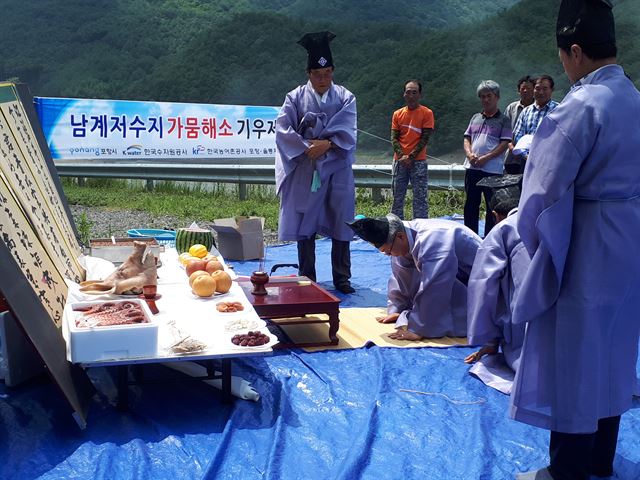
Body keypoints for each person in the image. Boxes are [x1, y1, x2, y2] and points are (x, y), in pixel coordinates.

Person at [511, 1, 640, 479]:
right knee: (614, 349)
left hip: (587, 245)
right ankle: (602, 460)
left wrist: (533, 246)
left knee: (576, 357)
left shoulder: (581, 106)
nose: (563, 68)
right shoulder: (635, 100)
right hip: (629, 240)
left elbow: (541, 195)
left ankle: (567, 470)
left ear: (577, 51)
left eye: (563, 58)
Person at [274, 31, 357, 294]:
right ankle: (307, 275)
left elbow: (348, 130)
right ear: (309, 73)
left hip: (337, 168)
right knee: (305, 220)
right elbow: (283, 129)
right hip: (307, 167)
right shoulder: (295, 97)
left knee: (341, 218)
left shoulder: (345, 97)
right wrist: (307, 147)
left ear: (332, 71)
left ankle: (342, 277)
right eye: (317, 74)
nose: (323, 79)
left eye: (327, 73)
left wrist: (328, 144)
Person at [347, 214, 481, 341]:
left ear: (400, 237)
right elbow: (401, 275)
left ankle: (430, 322)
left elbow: (435, 285)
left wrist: (419, 328)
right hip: (454, 273)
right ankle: (422, 316)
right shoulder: (403, 237)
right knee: (405, 265)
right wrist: (397, 309)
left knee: (438, 290)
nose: (389, 255)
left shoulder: (433, 239)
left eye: (388, 251)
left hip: (477, 282)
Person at [464, 175, 529, 384]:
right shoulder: (551, 217)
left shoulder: (503, 230)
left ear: (494, 215)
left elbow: (484, 285)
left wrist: (490, 338)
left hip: (529, 323)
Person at [463, 80, 512, 236]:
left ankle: (491, 238)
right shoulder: (475, 117)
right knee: (470, 205)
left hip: (492, 170)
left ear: (497, 97)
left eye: (489, 96)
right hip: (472, 168)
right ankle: (471, 237)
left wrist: (486, 158)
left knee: (492, 206)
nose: (485, 99)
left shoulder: (504, 120)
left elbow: (505, 143)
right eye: (482, 96)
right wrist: (469, 154)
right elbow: (467, 138)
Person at [390, 80, 435, 220]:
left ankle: (421, 230)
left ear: (420, 95)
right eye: (408, 92)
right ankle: (396, 230)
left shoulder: (427, 113)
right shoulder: (397, 114)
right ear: (404, 94)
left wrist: (411, 156)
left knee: (420, 200)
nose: (411, 95)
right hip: (400, 162)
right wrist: (402, 156)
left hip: (418, 162)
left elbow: (425, 138)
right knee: (397, 198)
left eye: (414, 92)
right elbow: (394, 138)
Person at [509, 75, 559, 172]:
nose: (541, 92)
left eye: (545, 89)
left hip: (550, 162)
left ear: (552, 90)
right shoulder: (526, 111)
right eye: (537, 88)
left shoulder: (559, 110)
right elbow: (518, 136)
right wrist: (527, 155)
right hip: (527, 162)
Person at [503, 76, 535, 174]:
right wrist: (512, 148)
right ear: (519, 91)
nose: (525, 91)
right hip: (512, 157)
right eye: (522, 89)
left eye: (529, 88)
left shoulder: (538, 109)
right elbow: (505, 132)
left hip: (531, 156)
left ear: (534, 90)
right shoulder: (512, 108)